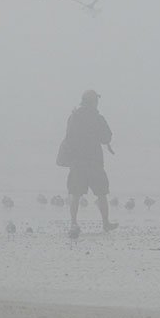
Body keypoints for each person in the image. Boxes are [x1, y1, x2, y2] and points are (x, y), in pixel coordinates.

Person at [59, 90, 118, 233]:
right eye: (96, 101)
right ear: (93, 102)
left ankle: (73, 223)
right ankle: (105, 223)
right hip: (94, 161)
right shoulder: (97, 118)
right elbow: (107, 138)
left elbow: (69, 137)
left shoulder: (74, 117)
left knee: (75, 193)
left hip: (77, 161)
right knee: (102, 193)